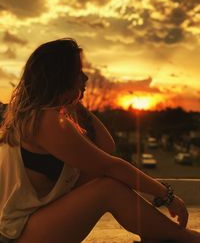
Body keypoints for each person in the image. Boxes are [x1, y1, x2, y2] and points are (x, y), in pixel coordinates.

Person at [0, 38, 199, 243]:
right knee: (108, 189)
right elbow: (110, 165)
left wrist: (74, 102)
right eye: (78, 72)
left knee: (99, 178)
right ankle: (183, 238)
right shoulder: (45, 120)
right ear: (61, 76)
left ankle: (161, 236)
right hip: (18, 235)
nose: (85, 77)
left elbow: (105, 147)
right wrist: (167, 195)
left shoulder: (37, 116)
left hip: (28, 228)